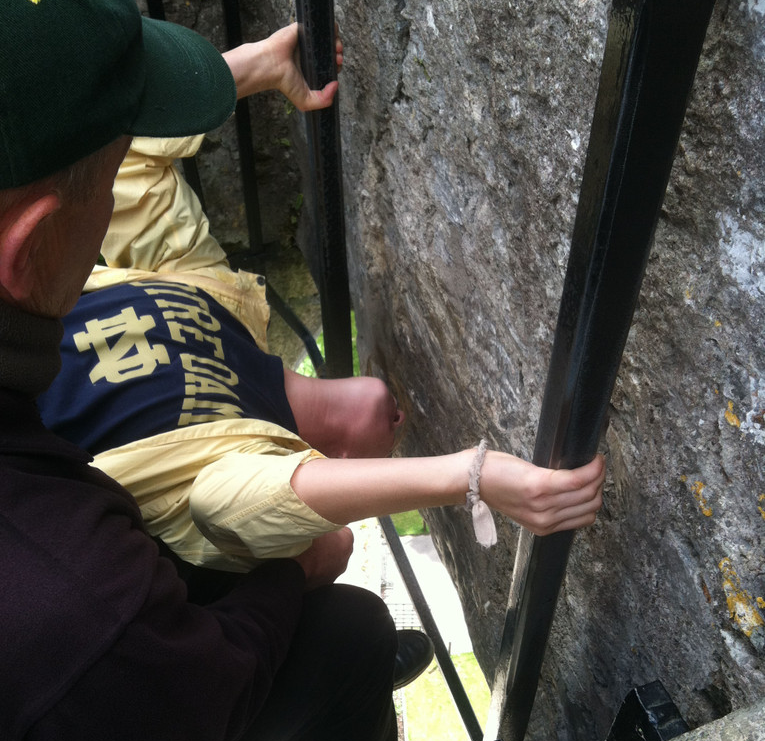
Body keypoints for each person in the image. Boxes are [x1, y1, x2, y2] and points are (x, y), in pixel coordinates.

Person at [0, 0, 422, 741]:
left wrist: (251, 69)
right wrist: (289, 575)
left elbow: (143, 184)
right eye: (97, 186)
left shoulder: (143, 301)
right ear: (32, 243)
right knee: (351, 630)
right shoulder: (64, 588)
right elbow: (197, 689)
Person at [38, 135, 605, 574]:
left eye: (393, 443)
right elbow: (133, 163)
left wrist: (256, 68)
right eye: (393, 450)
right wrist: (471, 475)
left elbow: (236, 505)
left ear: (337, 463)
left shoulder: (226, 457)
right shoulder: (219, 302)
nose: (401, 420)